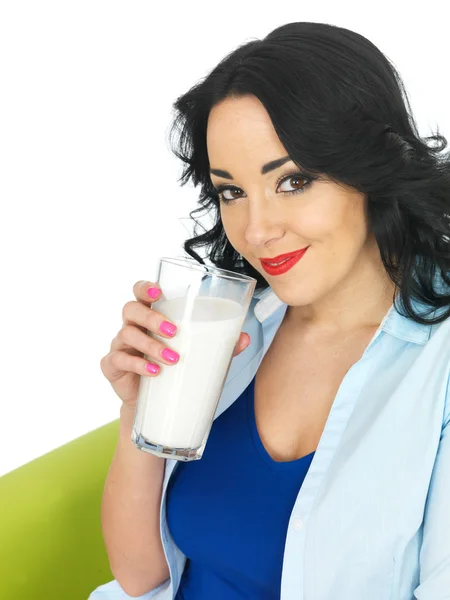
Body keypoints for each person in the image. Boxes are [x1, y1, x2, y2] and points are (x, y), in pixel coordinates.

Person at [89, 21, 450, 600]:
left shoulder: (437, 366)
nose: (256, 231)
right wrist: (141, 410)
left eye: (293, 181)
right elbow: (141, 576)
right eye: (231, 192)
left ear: (373, 163)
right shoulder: (228, 329)